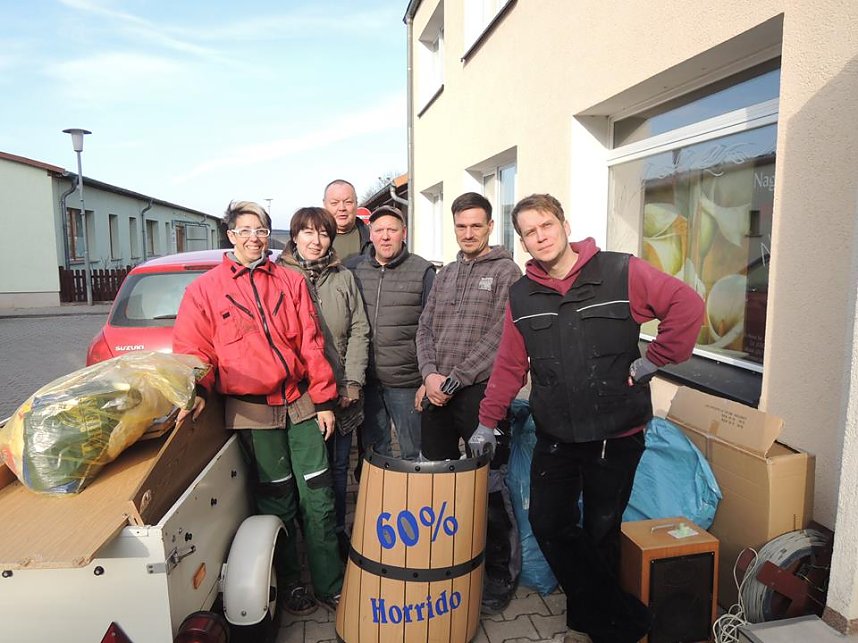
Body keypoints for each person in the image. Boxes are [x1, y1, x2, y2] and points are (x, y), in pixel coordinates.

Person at [476, 194, 704, 643]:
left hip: (615, 434)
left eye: (546, 226)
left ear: (563, 223)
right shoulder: (522, 294)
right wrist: (487, 421)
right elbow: (508, 365)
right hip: (556, 434)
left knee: (601, 531)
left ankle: (593, 626)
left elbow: (688, 305)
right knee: (548, 523)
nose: (540, 237)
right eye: (529, 232)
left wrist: (656, 358)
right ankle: (627, 621)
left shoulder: (622, 271)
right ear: (522, 241)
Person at [173, 201, 343, 616]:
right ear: (230, 236)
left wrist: (323, 400)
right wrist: (193, 390)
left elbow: (311, 342)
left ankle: (331, 583)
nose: (255, 237)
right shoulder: (204, 291)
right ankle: (288, 584)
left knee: (319, 496)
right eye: (245, 230)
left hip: (300, 404)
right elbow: (193, 351)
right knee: (276, 500)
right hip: (251, 411)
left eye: (262, 230)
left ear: (271, 236)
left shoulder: (290, 281)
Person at [416, 192, 523, 613]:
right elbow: (424, 327)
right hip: (437, 390)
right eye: (461, 226)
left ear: (490, 226)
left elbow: (502, 336)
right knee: (437, 479)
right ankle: (446, 555)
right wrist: (428, 376)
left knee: (490, 483)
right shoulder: (445, 274)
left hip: (479, 393)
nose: (468, 233)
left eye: (476, 225)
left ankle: (499, 571)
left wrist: (455, 380)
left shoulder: (506, 273)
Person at [277, 206, 370, 561]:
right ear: (295, 236)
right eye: (309, 233)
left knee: (338, 467)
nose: (317, 241)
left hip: (342, 394)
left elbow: (360, 329)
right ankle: (308, 540)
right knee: (306, 473)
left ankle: (336, 535)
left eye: (324, 234)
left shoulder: (343, 277)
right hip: (297, 398)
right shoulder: (279, 276)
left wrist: (351, 382)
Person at [353, 205, 435, 461]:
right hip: (368, 380)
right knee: (376, 453)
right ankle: (380, 499)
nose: (385, 236)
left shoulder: (423, 271)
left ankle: (417, 500)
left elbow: (433, 327)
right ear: (370, 233)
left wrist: (427, 378)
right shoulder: (353, 270)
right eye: (379, 230)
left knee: (414, 452)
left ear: (404, 232)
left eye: (392, 230)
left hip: (406, 381)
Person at [323, 179, 372, 267]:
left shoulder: (373, 238)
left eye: (348, 202)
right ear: (325, 205)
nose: (342, 208)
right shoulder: (312, 240)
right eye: (334, 203)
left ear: (356, 204)